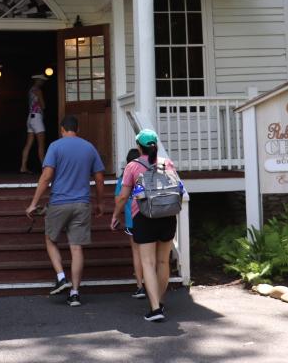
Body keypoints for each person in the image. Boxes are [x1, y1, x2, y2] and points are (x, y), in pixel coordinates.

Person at [25, 115, 105, 307]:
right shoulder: (89, 147)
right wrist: (100, 202)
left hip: (59, 202)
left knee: (50, 239)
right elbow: (100, 178)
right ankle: (75, 293)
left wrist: (33, 203)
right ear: (77, 129)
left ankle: (61, 277)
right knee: (76, 248)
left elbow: (46, 177)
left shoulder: (55, 146)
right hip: (82, 203)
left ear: (62, 129)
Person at [112, 129, 178, 322]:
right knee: (164, 262)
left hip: (143, 216)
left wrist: (115, 215)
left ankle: (155, 308)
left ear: (138, 146)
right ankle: (160, 300)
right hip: (167, 215)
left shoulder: (132, 166)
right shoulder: (167, 163)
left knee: (148, 263)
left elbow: (123, 196)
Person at [114, 147, 145, 298]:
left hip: (131, 220)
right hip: (148, 217)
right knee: (150, 253)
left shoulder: (122, 179)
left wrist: (116, 216)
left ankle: (140, 286)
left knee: (137, 253)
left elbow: (119, 200)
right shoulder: (145, 175)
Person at [19, 74, 48, 173]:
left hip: (30, 117)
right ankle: (44, 168)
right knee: (41, 144)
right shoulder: (38, 90)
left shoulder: (30, 90)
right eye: (42, 80)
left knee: (28, 144)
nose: (43, 82)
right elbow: (43, 105)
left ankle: (23, 167)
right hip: (37, 117)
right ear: (38, 80)